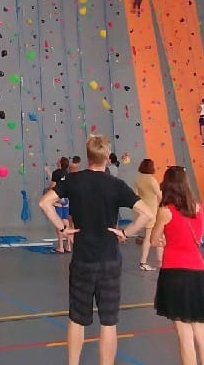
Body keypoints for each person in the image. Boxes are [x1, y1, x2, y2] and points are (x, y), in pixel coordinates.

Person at [39, 135, 152, 365]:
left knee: (77, 319)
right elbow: (147, 214)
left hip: (83, 260)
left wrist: (63, 228)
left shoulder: (73, 180)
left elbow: (44, 203)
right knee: (108, 323)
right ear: (108, 157)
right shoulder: (116, 184)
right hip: (109, 260)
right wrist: (126, 232)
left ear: (88, 155)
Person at [150, 165, 204, 365]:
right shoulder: (198, 208)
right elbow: (198, 237)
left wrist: (165, 239)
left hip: (174, 273)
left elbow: (154, 240)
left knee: (184, 335)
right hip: (198, 273)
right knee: (203, 335)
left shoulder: (165, 211)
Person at [135, 158, 161, 270]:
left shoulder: (138, 179)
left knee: (152, 235)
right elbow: (159, 195)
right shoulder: (151, 180)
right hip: (152, 210)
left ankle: (159, 260)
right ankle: (143, 262)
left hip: (141, 209)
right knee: (149, 236)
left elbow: (136, 194)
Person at [51, 156, 72, 253]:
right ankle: (68, 245)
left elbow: (53, 186)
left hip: (58, 199)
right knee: (65, 220)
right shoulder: (68, 173)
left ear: (60, 163)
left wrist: (47, 191)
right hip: (67, 199)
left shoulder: (56, 172)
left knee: (58, 222)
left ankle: (60, 246)